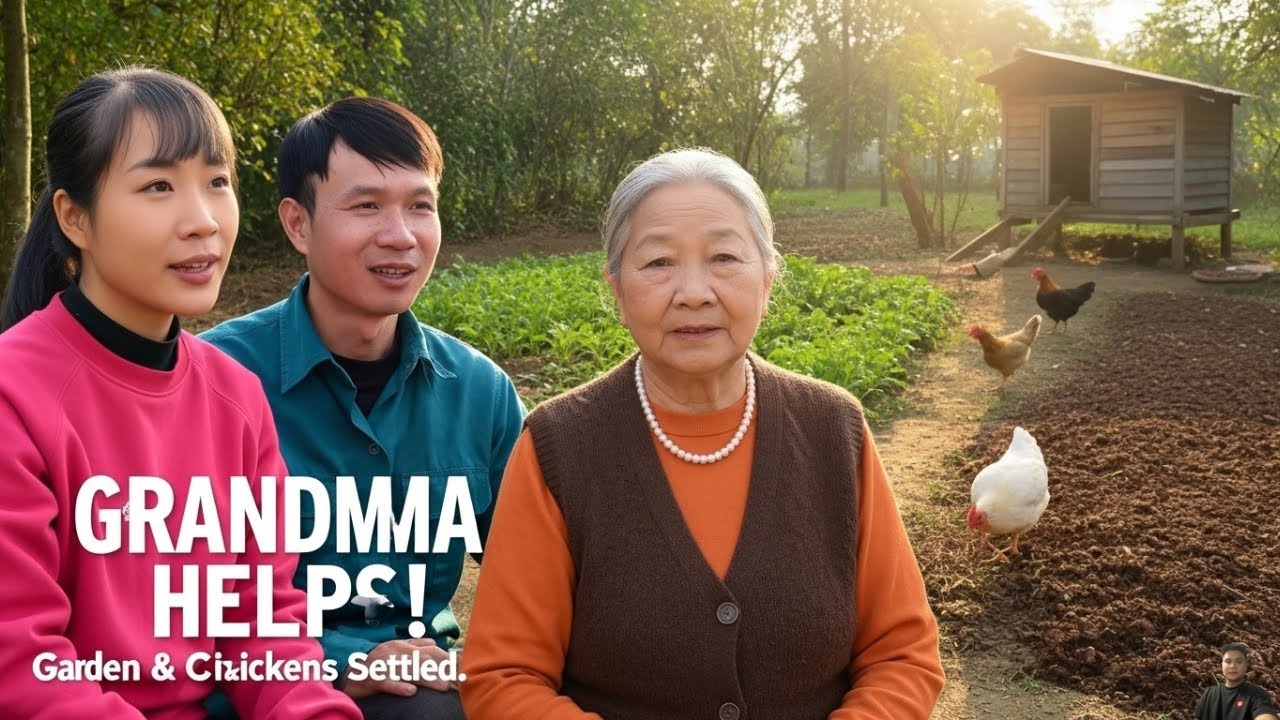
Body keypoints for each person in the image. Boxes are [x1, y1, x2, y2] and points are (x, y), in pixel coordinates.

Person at [459, 147, 945, 719]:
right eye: (658, 262)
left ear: (767, 279)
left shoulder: (833, 430)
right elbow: (504, 676)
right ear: (617, 290)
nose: (694, 291)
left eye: (724, 257)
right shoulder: (559, 446)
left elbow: (902, 655)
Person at [0, 67, 359, 719]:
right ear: (75, 217)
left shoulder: (236, 397)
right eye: (158, 186)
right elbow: (23, 667)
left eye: (217, 182)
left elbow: (263, 626)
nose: (202, 221)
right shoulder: (14, 396)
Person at [201, 96, 525, 719]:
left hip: (422, 685)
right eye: (367, 206)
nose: (400, 236)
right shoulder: (215, 382)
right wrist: (344, 659)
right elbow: (175, 597)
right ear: (298, 225)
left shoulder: (478, 391)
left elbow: (537, 578)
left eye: (420, 206)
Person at [1195, 643, 1279, 720]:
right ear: (1222, 665)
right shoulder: (1208, 694)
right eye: (1228, 661)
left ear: (1246, 666)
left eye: (1239, 661)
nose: (1233, 666)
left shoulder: (1257, 695)